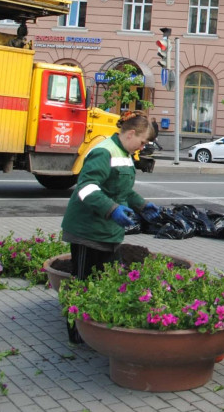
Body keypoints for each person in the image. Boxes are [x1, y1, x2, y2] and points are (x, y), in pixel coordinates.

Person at [60, 113, 161, 343]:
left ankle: (95, 328)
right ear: (131, 133)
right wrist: (112, 209)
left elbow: (121, 189)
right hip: (87, 231)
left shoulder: (125, 153)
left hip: (107, 231)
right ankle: (76, 332)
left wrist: (142, 205)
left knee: (108, 281)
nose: (143, 147)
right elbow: (86, 188)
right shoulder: (103, 151)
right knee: (83, 282)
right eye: (143, 142)